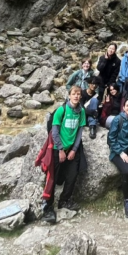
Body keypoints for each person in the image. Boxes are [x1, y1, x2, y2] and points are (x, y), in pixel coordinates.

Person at [44, 86, 87, 222]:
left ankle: (64, 200)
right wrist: (61, 149)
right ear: (69, 96)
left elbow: (80, 132)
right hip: (58, 149)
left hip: (72, 150)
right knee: (52, 177)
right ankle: (47, 207)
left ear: (80, 96)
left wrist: (74, 149)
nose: (76, 96)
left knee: (72, 175)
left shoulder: (81, 112)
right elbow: (54, 131)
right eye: (73, 94)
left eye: (78, 94)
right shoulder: (61, 110)